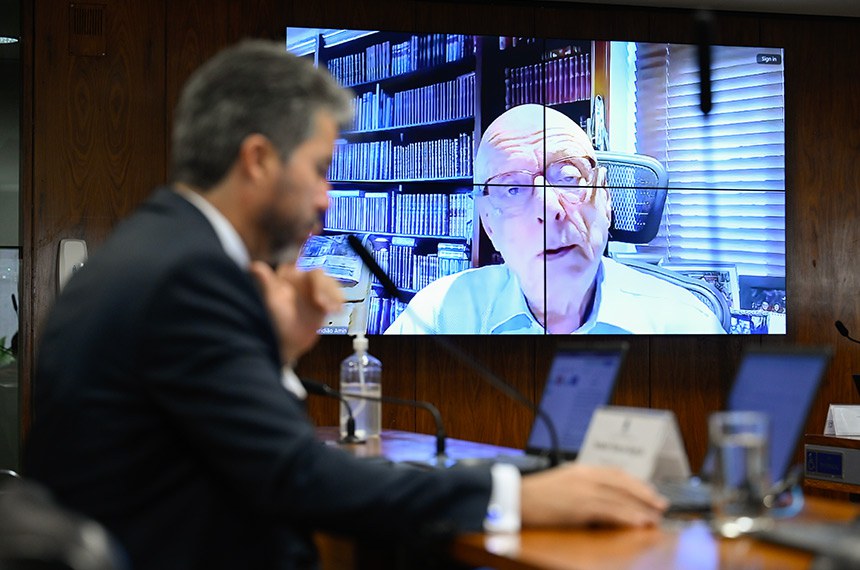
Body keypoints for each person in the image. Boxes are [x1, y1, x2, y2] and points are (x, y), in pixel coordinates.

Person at [23, 41, 667, 570]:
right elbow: (297, 477)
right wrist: (519, 494)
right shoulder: (188, 276)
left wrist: (277, 349)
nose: (328, 199)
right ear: (257, 161)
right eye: (320, 168)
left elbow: (236, 451)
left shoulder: (159, 250)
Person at [386, 104, 725, 334]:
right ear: (489, 224)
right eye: (514, 189)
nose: (549, 208)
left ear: (605, 197)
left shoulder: (685, 324)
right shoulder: (439, 316)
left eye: (569, 177)